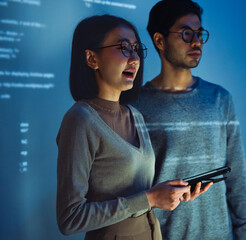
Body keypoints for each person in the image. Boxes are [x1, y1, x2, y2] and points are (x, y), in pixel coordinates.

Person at [56, 14, 193, 240]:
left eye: (137, 49)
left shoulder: (135, 115)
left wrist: (169, 194)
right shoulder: (80, 120)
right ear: (92, 58)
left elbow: (138, 197)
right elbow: (70, 218)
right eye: (123, 48)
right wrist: (149, 199)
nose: (135, 58)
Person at [132, 0, 246, 239]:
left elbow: (237, 176)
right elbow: (132, 187)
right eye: (186, 33)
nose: (196, 41)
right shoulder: (136, 106)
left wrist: (245, 234)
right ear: (159, 40)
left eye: (199, 34)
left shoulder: (220, 99)